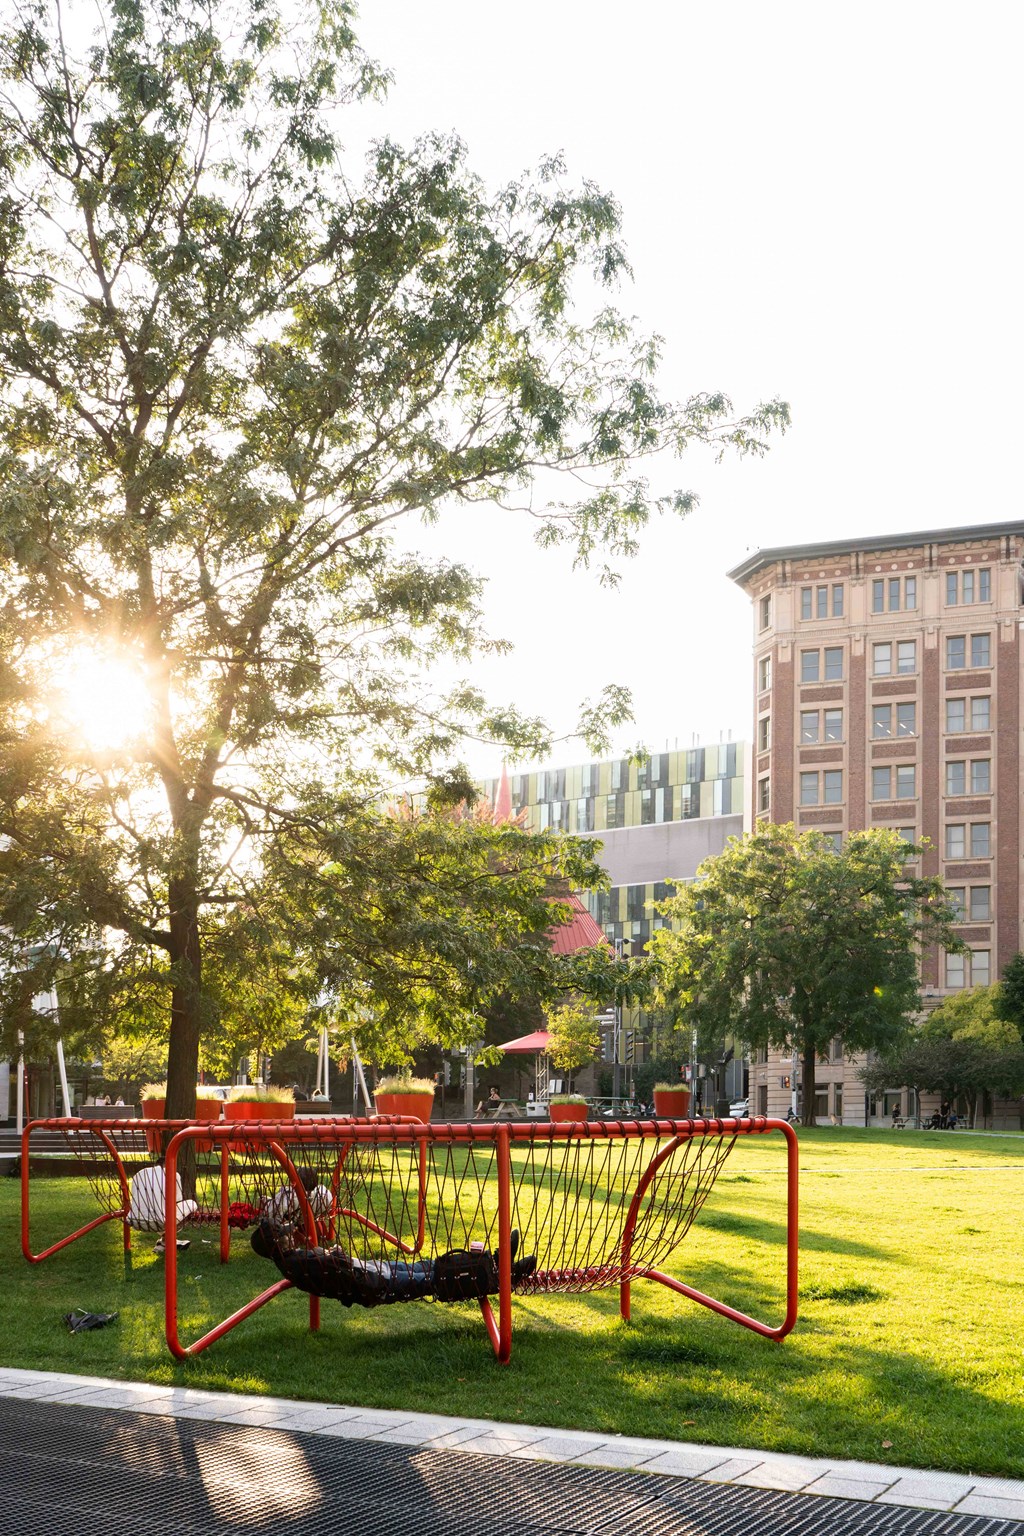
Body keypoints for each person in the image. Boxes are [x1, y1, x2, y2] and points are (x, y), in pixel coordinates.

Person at [129, 1155, 198, 1253]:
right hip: (160, 1221)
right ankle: (167, 1242)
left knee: (158, 1210)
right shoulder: (173, 1174)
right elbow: (176, 1201)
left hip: (135, 1220)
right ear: (170, 1164)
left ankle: (164, 1242)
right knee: (191, 1204)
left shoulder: (139, 1174)